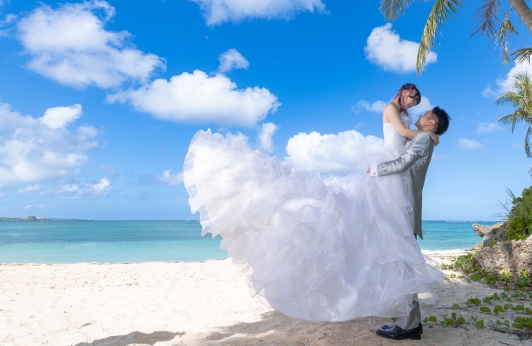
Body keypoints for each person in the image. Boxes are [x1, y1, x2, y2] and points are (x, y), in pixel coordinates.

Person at [182, 85, 449, 326]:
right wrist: (427, 137)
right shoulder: (397, 114)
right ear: (404, 92)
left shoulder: (420, 134)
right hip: (389, 182)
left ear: (431, 122)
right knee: (375, 236)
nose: (416, 110)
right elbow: (403, 136)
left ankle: (406, 317)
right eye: (414, 101)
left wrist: (414, 146)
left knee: (383, 242)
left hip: (391, 183)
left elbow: (405, 152)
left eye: (420, 110)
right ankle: (405, 316)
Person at [369, 106, 450, 341]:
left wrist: (374, 170)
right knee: (400, 265)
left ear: (431, 123)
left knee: (402, 267)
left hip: (403, 209)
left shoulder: (424, 139)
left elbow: (402, 164)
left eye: (424, 114)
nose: (420, 115)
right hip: (403, 206)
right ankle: (410, 322)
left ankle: (409, 325)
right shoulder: (425, 138)